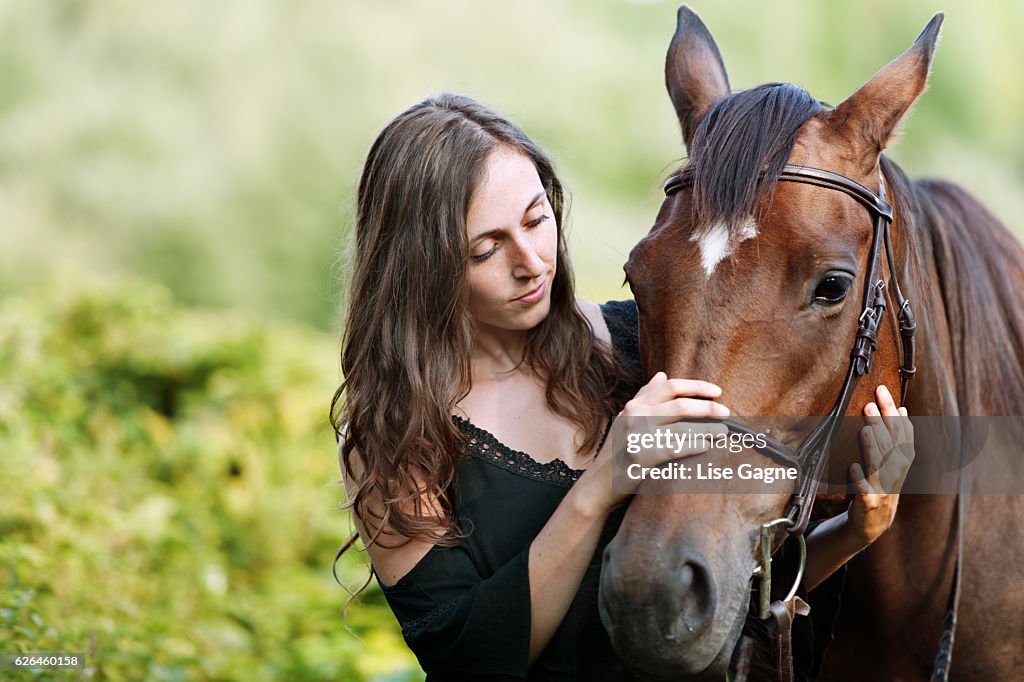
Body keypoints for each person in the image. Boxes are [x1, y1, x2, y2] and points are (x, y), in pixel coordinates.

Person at [331, 93, 914, 681]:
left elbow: (720, 589)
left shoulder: (642, 346)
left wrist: (854, 531)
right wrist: (603, 482)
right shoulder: (394, 435)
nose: (532, 261)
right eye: (486, 248)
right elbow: (466, 659)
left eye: (536, 218)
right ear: (421, 267)